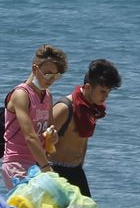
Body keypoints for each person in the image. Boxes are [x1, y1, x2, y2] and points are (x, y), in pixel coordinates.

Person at [48, 58, 122, 198]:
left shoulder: (92, 109)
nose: (106, 97)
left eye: (108, 92)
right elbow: (39, 141)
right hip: (55, 171)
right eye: (102, 92)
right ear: (88, 87)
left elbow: (83, 140)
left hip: (76, 171)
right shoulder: (65, 107)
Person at [0, 45, 67, 189]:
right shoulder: (21, 95)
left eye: (56, 76)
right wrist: (47, 168)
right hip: (16, 164)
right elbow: (30, 136)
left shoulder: (47, 95)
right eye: (48, 74)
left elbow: (50, 127)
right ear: (35, 69)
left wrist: (53, 135)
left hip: (36, 163)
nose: (52, 79)